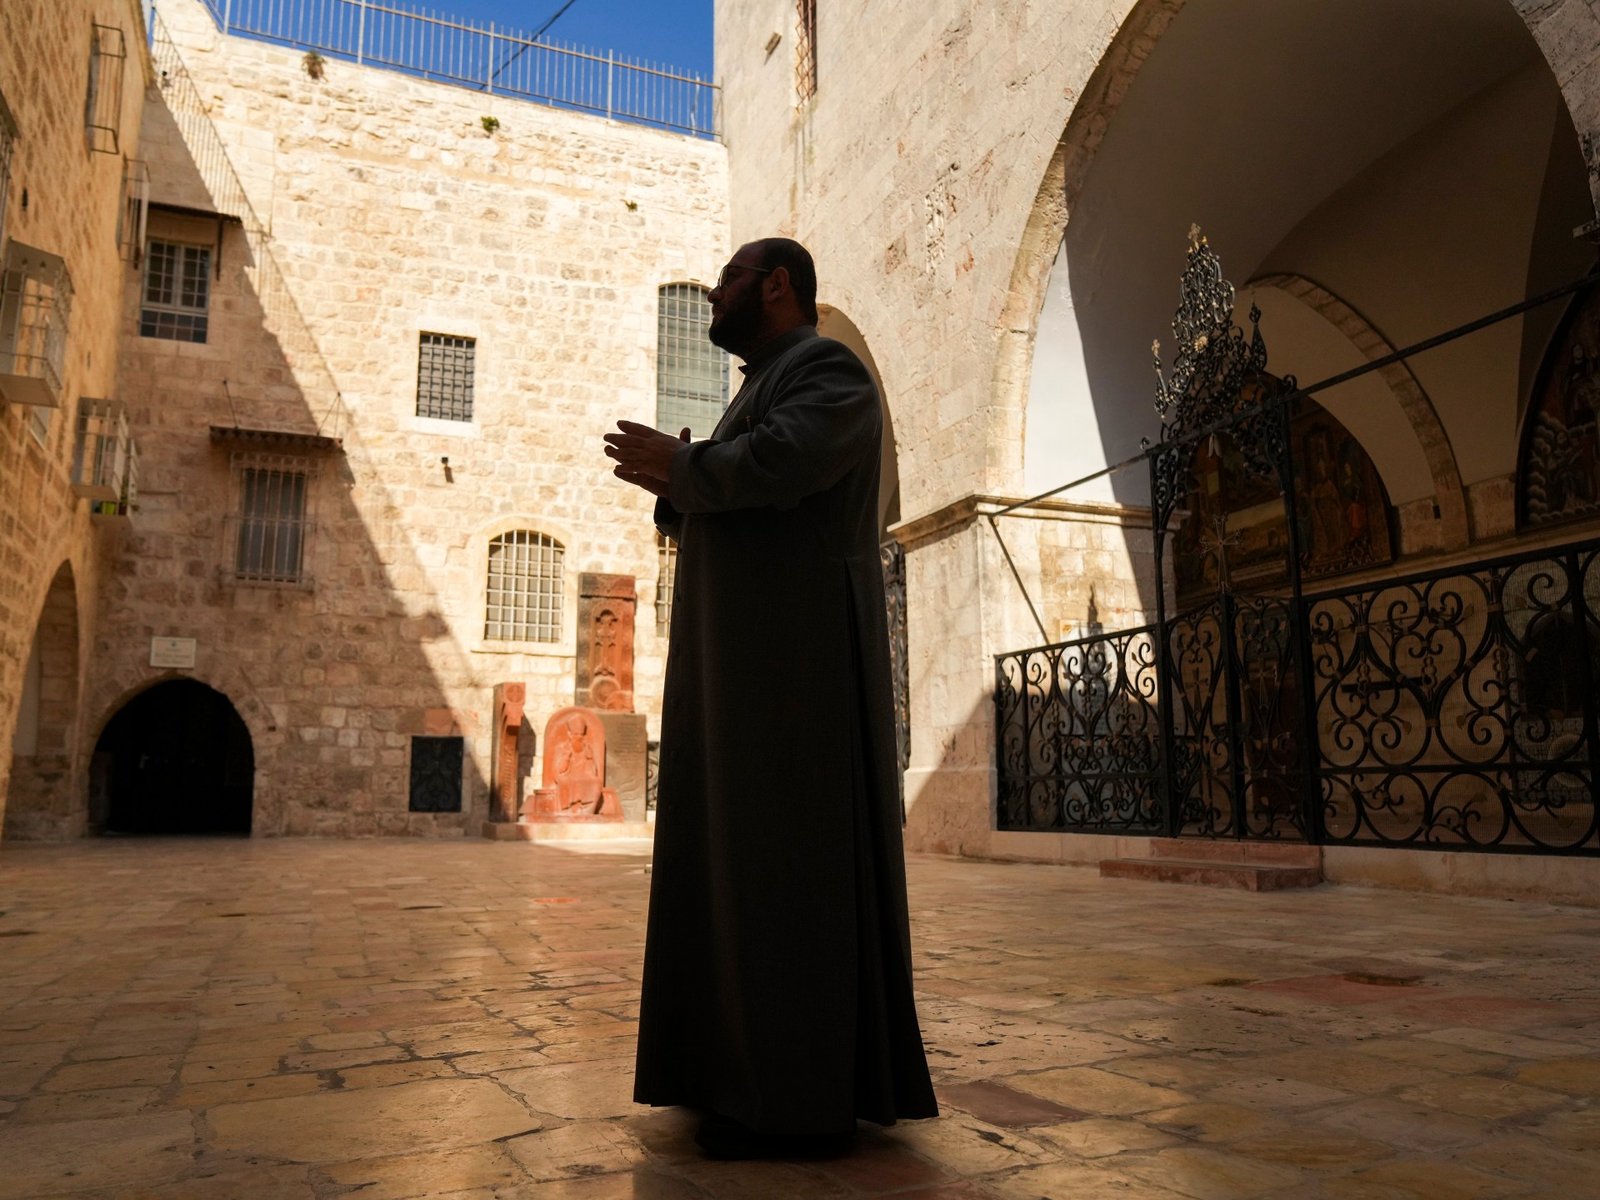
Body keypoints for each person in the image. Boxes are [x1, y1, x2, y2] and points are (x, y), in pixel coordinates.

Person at [603, 238, 938, 1158]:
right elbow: (743, 468)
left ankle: (791, 1099)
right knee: (737, 867)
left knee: (789, 874)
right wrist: (685, 473)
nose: (714, 296)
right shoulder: (761, 379)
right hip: (750, 665)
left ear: (776, 286)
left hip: (796, 672)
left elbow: (789, 461)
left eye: (728, 281)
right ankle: (734, 1077)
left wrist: (686, 466)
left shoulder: (823, 366)